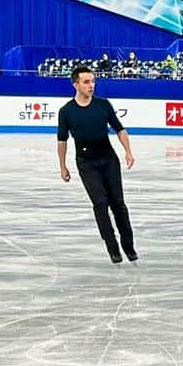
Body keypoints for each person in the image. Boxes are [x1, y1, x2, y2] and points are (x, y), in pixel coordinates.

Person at [57, 64, 138, 264]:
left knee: (118, 204)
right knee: (100, 204)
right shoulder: (66, 111)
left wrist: (128, 151)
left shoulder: (103, 105)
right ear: (76, 85)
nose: (91, 85)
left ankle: (128, 246)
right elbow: (62, 140)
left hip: (109, 160)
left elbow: (120, 129)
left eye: (92, 81)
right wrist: (63, 166)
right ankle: (112, 248)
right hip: (86, 163)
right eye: (86, 82)